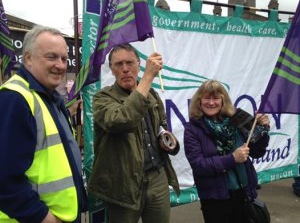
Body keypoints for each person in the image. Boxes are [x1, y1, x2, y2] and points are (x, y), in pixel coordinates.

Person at [0, 26, 87, 223]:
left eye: (64, 59)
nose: (61, 65)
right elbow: (4, 180)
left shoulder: (49, 98)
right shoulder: (15, 99)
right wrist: (43, 217)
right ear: (28, 58)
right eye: (52, 57)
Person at [88, 43, 180, 223]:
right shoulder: (102, 98)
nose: (125, 69)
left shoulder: (152, 94)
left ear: (138, 65)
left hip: (157, 178)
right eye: (118, 64)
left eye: (130, 63)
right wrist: (147, 77)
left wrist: (167, 139)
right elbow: (120, 121)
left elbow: (161, 125)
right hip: (123, 184)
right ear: (112, 70)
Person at [184, 80, 270, 223]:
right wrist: (232, 159)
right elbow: (199, 166)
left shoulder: (238, 118)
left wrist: (263, 129)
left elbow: (256, 152)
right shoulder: (192, 129)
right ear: (199, 101)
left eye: (216, 98)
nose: (211, 102)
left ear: (223, 100)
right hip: (216, 199)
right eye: (207, 98)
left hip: (244, 194)